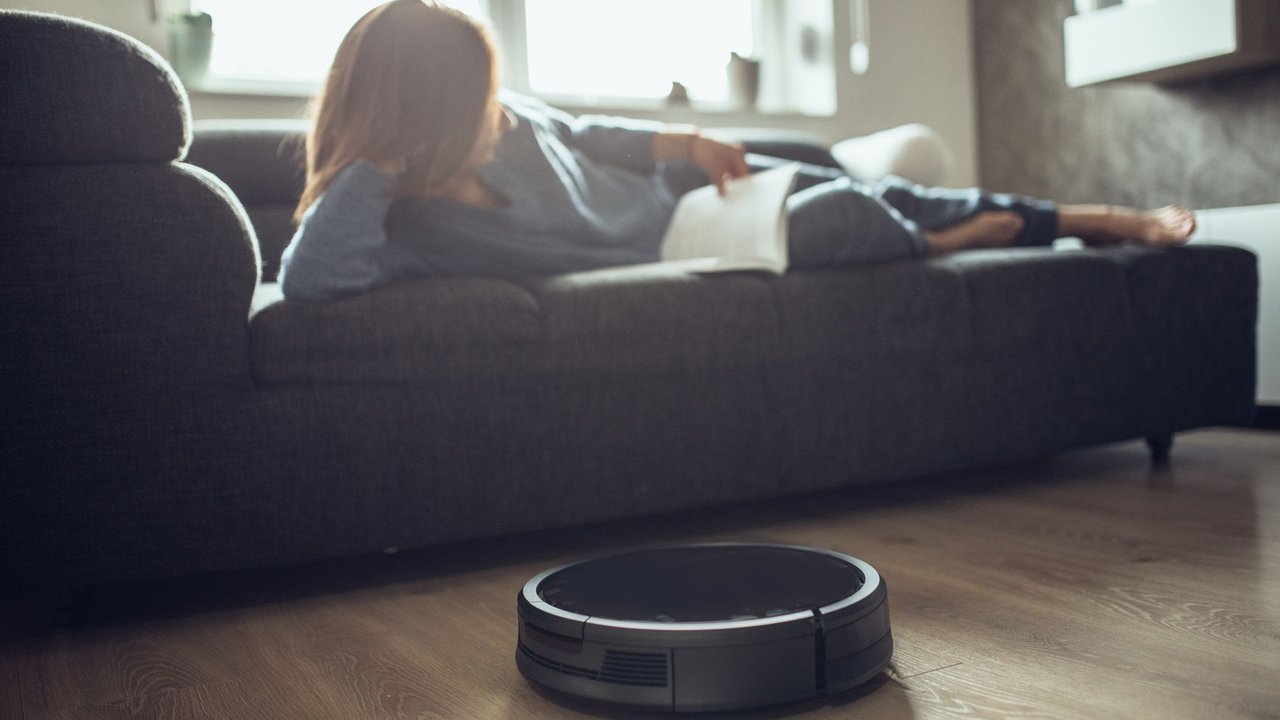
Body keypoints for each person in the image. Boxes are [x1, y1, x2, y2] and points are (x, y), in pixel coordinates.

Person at [278, 0, 1196, 302]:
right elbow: (310, 280)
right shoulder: (397, 218)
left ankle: (1087, 217)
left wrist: (692, 139)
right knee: (850, 211)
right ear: (420, 116)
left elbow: (598, 136)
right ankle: (938, 239)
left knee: (850, 174)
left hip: (691, 193)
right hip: (687, 247)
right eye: (468, 102)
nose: (493, 111)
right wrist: (385, 160)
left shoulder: (509, 122)